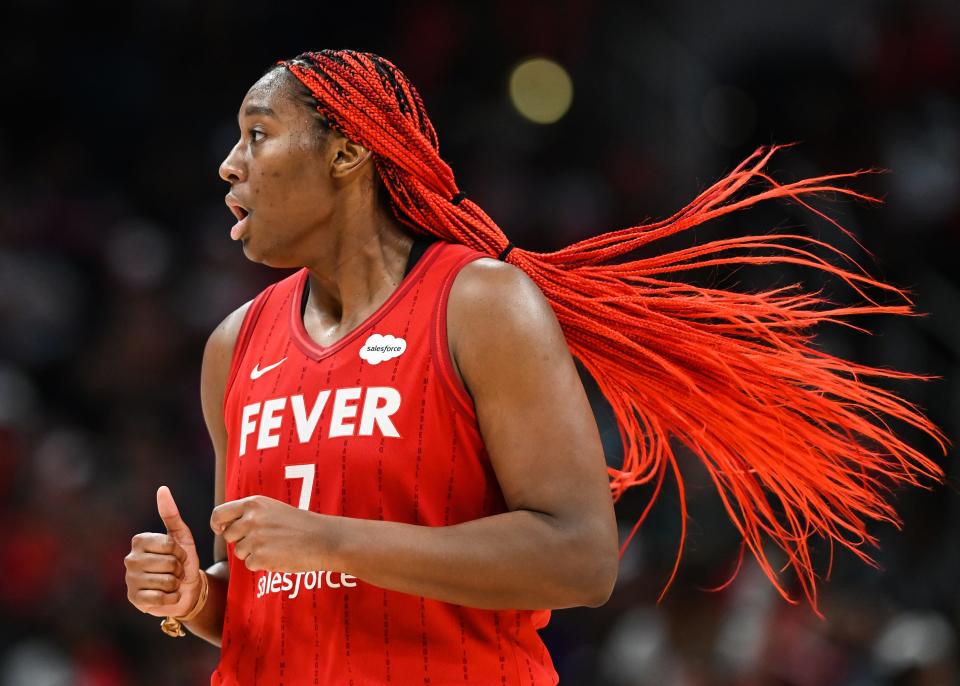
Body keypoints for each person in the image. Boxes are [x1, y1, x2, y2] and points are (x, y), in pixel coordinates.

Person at [123, 50, 945, 684]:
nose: (230, 164)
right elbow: (272, 597)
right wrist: (198, 599)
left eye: (258, 135)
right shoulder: (234, 345)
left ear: (345, 152)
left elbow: (580, 559)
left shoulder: (479, 304)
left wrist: (333, 541)